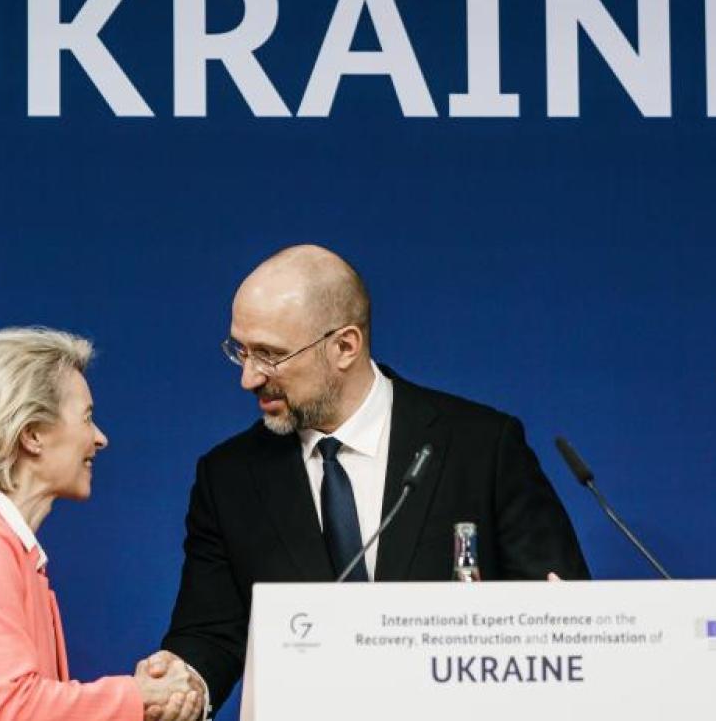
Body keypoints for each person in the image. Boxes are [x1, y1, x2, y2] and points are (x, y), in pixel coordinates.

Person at [153, 244, 590, 711]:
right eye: (240, 351)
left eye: (269, 355)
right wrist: (185, 682)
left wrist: (558, 623)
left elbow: (557, 604)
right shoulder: (229, 477)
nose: (249, 378)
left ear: (345, 347)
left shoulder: (480, 447)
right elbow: (211, 633)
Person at [0, 327, 204, 721]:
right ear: (32, 434)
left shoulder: (6, 546)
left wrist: (144, 699)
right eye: (87, 418)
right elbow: (15, 708)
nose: (100, 438)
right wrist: (137, 695)